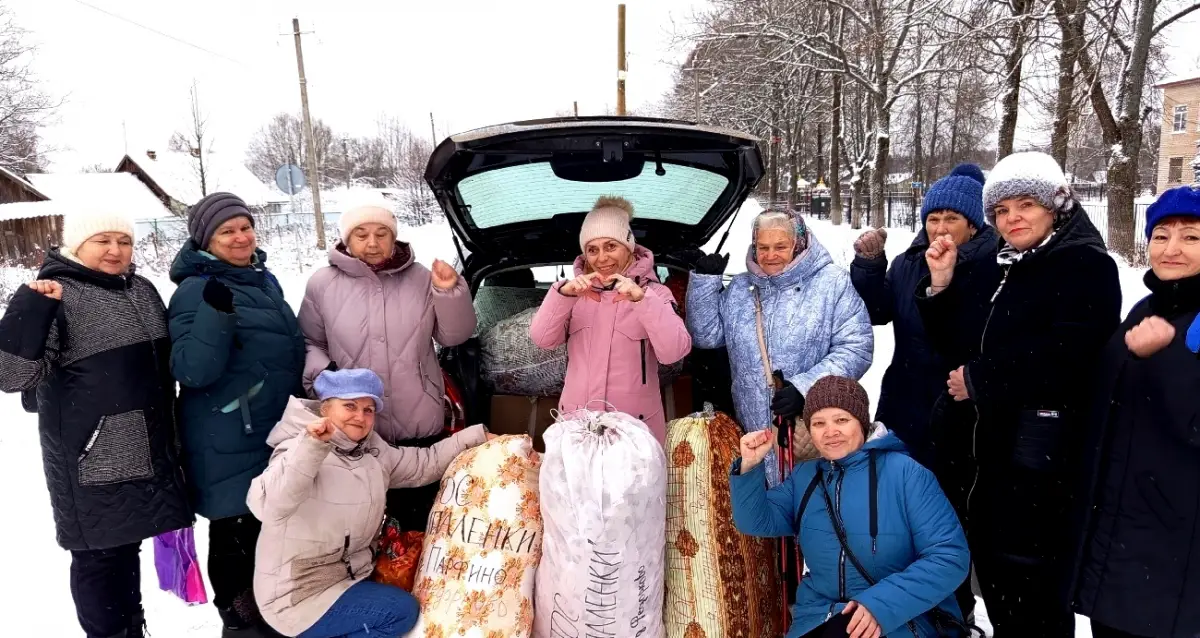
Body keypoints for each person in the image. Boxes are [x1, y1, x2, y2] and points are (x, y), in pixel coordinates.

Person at [916, 151, 1121, 637]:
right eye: (1002, 211)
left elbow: (1072, 355)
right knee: (1002, 584)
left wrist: (982, 380)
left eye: (1025, 205)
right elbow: (960, 347)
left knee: (1034, 594)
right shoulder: (1002, 265)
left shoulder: (1084, 264)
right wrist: (942, 284)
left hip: (1041, 464)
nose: (1012, 219)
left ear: (1056, 205)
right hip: (991, 460)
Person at [0, 212, 191, 638]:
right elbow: (12, 377)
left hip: (150, 446)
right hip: (92, 456)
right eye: (102, 240)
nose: (115, 250)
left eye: (123, 240)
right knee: (99, 557)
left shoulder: (141, 289)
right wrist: (30, 308)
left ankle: (131, 629)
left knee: (126, 550)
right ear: (76, 246)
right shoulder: (54, 295)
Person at [248, 368, 491, 638]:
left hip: (348, 579)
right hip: (299, 593)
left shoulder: (371, 452)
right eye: (349, 406)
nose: (360, 417)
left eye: (368, 409)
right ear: (325, 408)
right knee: (399, 612)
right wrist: (312, 446)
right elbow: (268, 505)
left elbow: (425, 463)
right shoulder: (299, 446)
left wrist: (475, 437)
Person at [730, 375, 970, 638]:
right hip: (821, 616)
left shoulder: (906, 475)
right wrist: (750, 467)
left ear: (862, 423)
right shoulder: (805, 477)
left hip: (901, 617)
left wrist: (881, 605)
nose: (830, 432)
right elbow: (756, 521)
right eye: (818, 423)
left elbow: (949, 557)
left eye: (841, 420)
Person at [168, 192, 306, 637]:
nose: (240, 237)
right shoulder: (195, 290)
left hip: (266, 429)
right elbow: (191, 369)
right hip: (226, 435)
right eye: (227, 231)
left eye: (245, 227)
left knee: (266, 539)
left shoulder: (260, 280)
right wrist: (214, 313)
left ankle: (270, 624)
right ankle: (241, 626)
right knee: (236, 537)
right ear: (205, 240)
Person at [297, 200, 476, 532]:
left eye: (382, 234)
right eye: (361, 234)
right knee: (363, 529)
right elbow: (310, 342)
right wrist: (325, 383)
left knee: (422, 527)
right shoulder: (322, 284)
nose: (373, 243)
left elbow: (455, 336)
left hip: (419, 421)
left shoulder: (422, 278)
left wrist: (449, 291)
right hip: (356, 427)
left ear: (394, 238)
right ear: (346, 240)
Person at [1072, 185, 1200, 638]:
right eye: (1161, 235)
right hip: (1119, 536)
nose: (1172, 249)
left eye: (1191, 237)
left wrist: (1170, 359)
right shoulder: (1146, 309)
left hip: (1176, 554)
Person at [687, 209, 872, 485]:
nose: (770, 255)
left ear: (798, 245)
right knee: (767, 512)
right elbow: (707, 336)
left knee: (815, 503)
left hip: (811, 428)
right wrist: (704, 283)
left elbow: (857, 348)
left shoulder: (831, 283)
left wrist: (805, 388)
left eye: (780, 247)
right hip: (753, 433)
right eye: (763, 247)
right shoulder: (742, 287)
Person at [850, 164, 998, 466]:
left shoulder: (993, 266)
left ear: (972, 225)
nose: (941, 228)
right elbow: (878, 312)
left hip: (961, 404)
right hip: (903, 399)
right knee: (893, 488)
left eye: (952, 218)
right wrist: (870, 266)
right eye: (933, 218)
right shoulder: (909, 262)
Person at [528, 195, 691, 442]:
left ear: (629, 246)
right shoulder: (574, 293)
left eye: (611, 246)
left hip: (634, 430)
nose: (602, 258)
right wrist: (562, 295)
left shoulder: (655, 293)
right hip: (577, 428)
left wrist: (641, 300)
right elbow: (542, 339)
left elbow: (674, 351)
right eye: (592, 250)